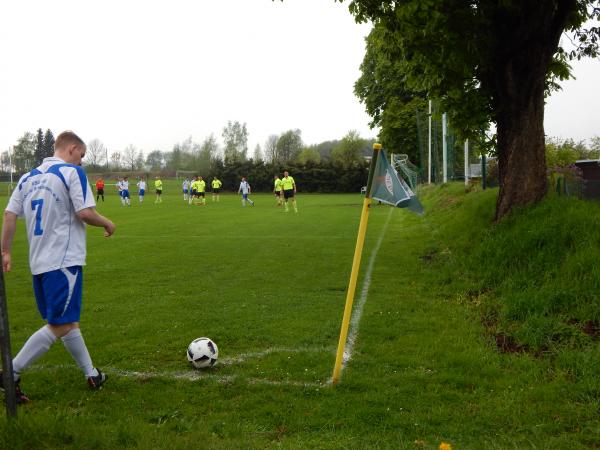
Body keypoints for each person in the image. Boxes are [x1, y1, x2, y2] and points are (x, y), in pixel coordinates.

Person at [0, 130, 116, 404]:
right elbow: (84, 212)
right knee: (60, 324)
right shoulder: (71, 173)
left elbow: (9, 215)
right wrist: (108, 222)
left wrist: (5, 250)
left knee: (68, 321)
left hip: (39, 263)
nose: (81, 162)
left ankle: (91, 374)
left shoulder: (28, 177)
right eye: (82, 155)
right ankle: (11, 373)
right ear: (73, 149)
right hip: (64, 262)